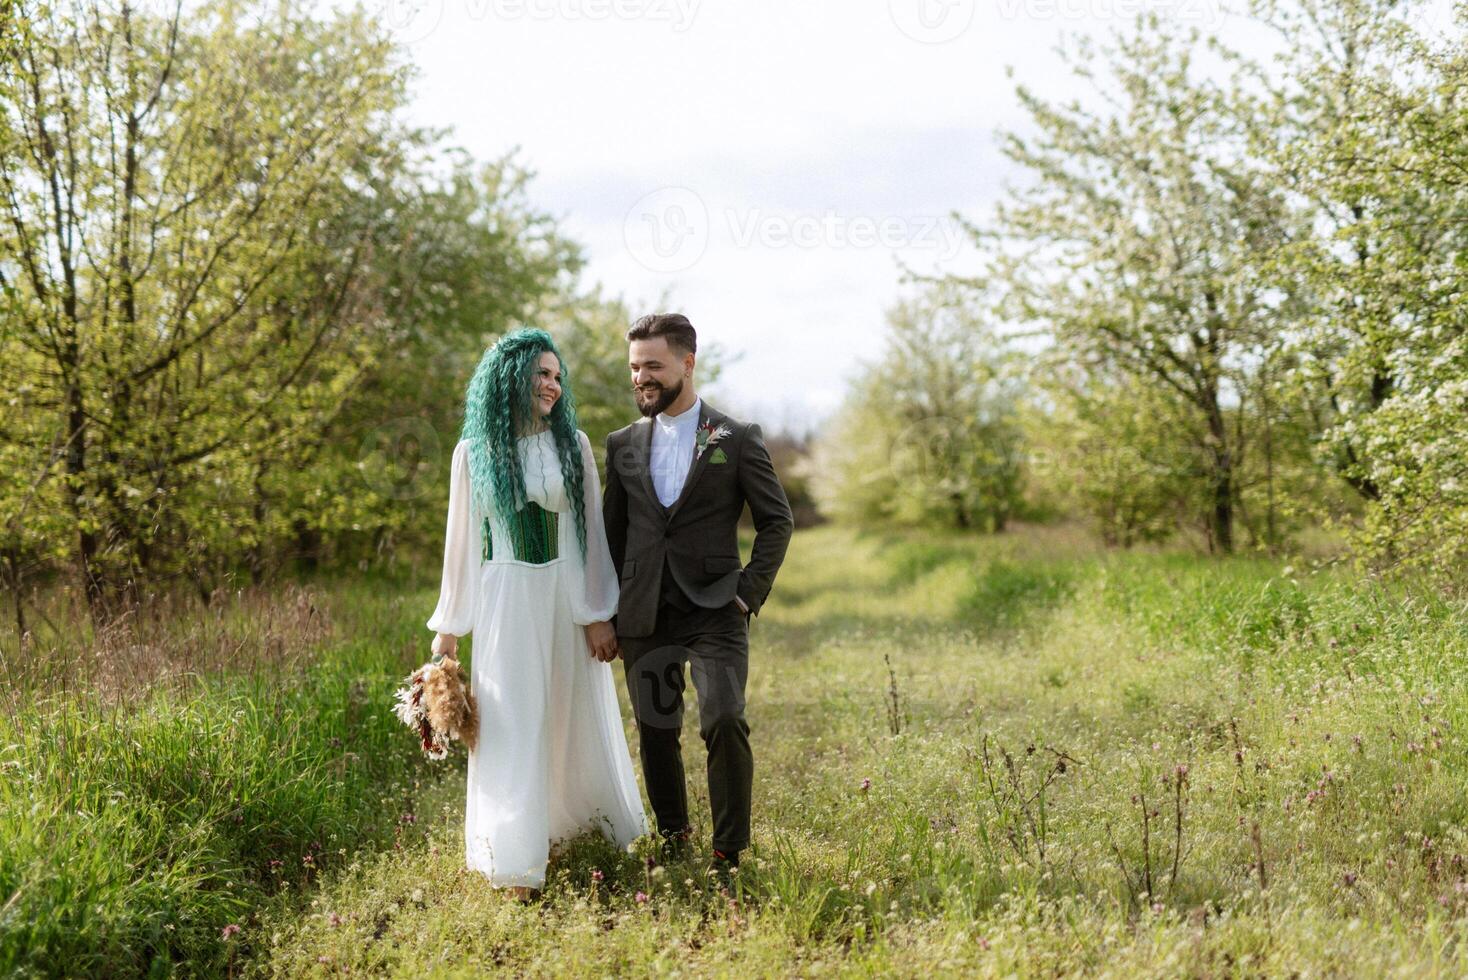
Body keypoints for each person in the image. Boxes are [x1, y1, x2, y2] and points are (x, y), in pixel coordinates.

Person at [427, 327, 649, 902]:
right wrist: (448, 632)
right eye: (541, 374)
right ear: (510, 379)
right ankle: (516, 858)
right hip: (506, 600)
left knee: (568, 714)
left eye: (557, 375)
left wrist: (597, 613)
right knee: (512, 722)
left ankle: (578, 830)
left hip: (560, 594)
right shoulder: (474, 453)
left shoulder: (570, 445)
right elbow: (460, 546)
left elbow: (587, 535)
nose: (552, 384)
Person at [602, 313, 793, 882]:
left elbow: (776, 522)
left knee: (725, 719)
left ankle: (728, 852)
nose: (642, 378)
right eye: (635, 367)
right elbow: (611, 536)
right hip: (644, 611)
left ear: (687, 363)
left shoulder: (735, 438)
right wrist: (606, 613)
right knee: (657, 730)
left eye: (653, 366)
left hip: (716, 607)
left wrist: (747, 593)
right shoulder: (621, 444)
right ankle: (674, 835)